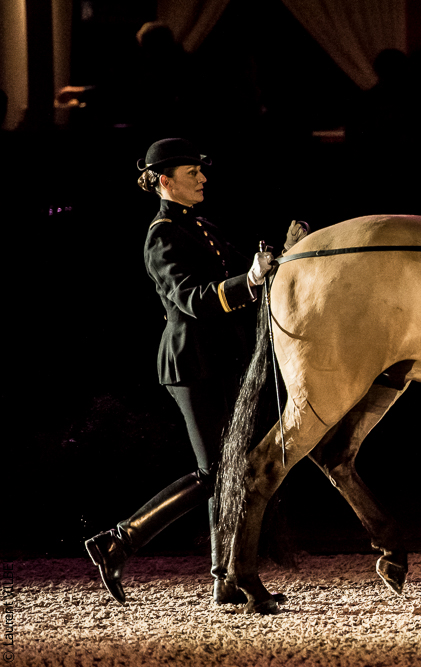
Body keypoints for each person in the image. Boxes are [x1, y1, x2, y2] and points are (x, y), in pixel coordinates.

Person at [84, 138, 308, 605]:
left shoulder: (197, 226)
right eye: (192, 173)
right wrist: (248, 279)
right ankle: (118, 541)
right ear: (165, 181)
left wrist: (279, 262)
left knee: (228, 471)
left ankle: (224, 578)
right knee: (214, 473)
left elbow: (234, 283)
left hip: (218, 354)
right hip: (190, 360)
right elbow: (193, 299)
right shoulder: (161, 234)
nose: (203, 178)